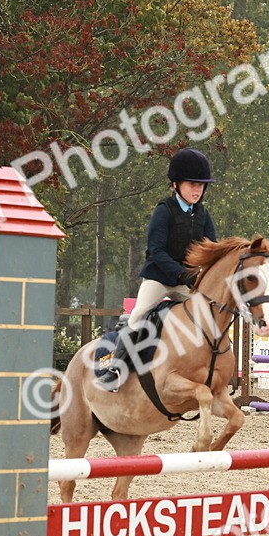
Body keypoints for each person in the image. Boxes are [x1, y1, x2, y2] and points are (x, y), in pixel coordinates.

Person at [100, 148, 218, 389]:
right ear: (176, 184)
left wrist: (203, 275)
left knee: (209, 312)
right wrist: (181, 274)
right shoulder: (163, 210)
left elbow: (211, 249)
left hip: (187, 281)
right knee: (140, 312)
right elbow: (156, 251)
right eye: (192, 184)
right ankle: (116, 368)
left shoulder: (203, 215)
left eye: (201, 186)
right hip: (160, 278)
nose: (197, 190)